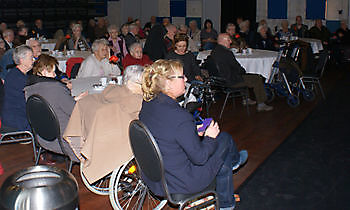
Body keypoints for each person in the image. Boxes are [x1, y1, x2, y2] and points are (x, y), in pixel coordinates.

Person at [139, 59, 248, 209]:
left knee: (222, 159)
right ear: (168, 83)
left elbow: (166, 132)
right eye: (182, 77)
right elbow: (200, 158)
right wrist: (209, 136)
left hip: (158, 177)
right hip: (183, 182)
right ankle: (234, 163)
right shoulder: (179, 116)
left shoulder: (148, 104)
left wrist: (193, 130)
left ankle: (226, 201)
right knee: (224, 139)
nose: (186, 79)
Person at [63, 65, 144, 184]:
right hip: (115, 135)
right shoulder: (136, 100)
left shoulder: (112, 90)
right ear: (136, 83)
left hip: (95, 131)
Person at [24, 54, 86, 162]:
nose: (54, 75)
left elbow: (52, 104)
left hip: (43, 138)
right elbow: (75, 111)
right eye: (52, 72)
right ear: (43, 71)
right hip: (65, 140)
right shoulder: (55, 88)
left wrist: (74, 98)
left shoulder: (29, 89)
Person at [210, 33, 273, 112]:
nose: (230, 42)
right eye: (228, 40)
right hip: (230, 81)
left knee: (244, 76)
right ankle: (261, 104)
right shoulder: (227, 53)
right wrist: (243, 71)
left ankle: (246, 99)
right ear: (222, 41)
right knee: (257, 78)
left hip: (220, 80)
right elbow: (237, 68)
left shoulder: (214, 51)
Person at [1, 45, 34, 130]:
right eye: (31, 58)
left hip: (16, 114)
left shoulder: (16, 73)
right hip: (17, 118)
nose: (33, 60)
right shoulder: (17, 78)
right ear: (22, 60)